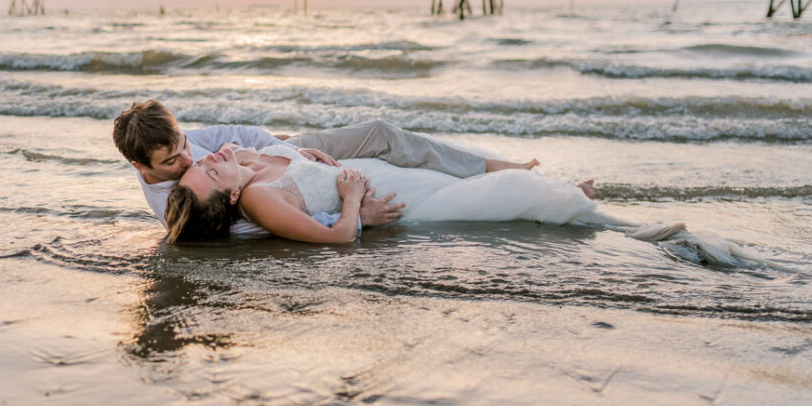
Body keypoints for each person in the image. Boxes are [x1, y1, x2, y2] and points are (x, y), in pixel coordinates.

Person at [165, 143, 776, 271]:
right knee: (504, 203)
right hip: (406, 202)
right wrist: (350, 202)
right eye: (208, 174)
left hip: (399, 180)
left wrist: (307, 158)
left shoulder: (252, 172)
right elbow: (337, 240)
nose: (208, 162)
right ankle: (638, 234)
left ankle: (591, 212)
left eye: (200, 164)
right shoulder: (265, 201)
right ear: (231, 199)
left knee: (501, 198)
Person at [112, 100, 511, 235]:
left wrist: (287, 152)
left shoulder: (181, 146)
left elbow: (238, 132)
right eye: (172, 162)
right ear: (139, 165)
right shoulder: (178, 206)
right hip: (273, 176)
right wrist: (353, 217)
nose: (189, 160)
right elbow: (261, 223)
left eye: (184, 145)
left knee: (380, 132)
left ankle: (489, 166)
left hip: (274, 154)